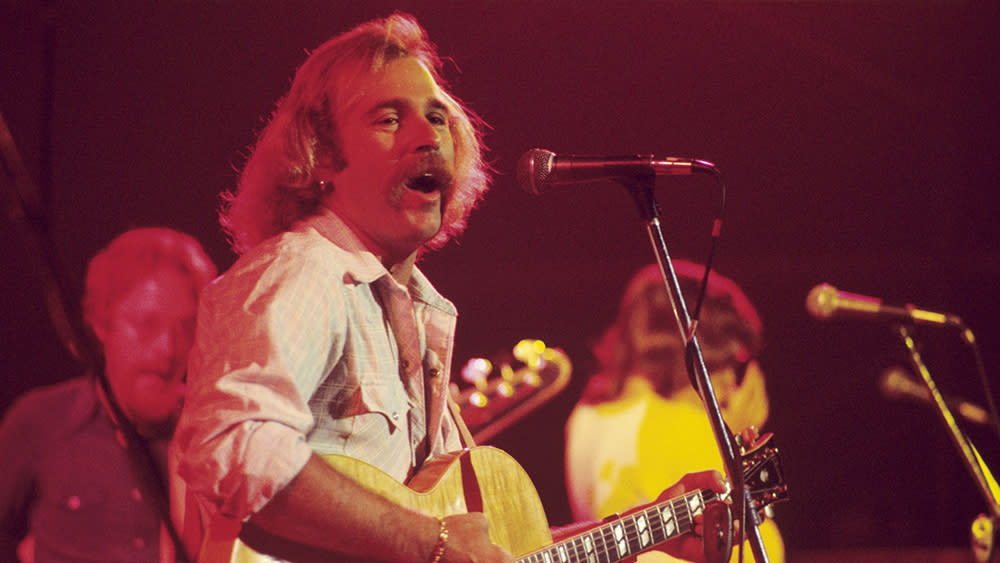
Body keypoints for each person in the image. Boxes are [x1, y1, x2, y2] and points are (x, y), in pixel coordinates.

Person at [171, 13, 729, 563]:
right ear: (321, 155)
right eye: (389, 119)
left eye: (438, 118)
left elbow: (483, 553)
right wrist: (429, 542)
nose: (428, 136)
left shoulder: (411, 307)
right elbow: (233, 445)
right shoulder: (306, 272)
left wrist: (646, 531)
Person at [0, 227, 217, 562]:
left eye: (185, 327)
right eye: (147, 325)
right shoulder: (39, 421)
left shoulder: (208, 432)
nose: (167, 348)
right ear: (102, 324)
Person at [565, 260, 786, 562]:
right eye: (730, 364)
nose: (729, 386)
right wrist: (729, 445)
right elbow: (755, 550)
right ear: (700, 354)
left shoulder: (584, 418)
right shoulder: (678, 423)